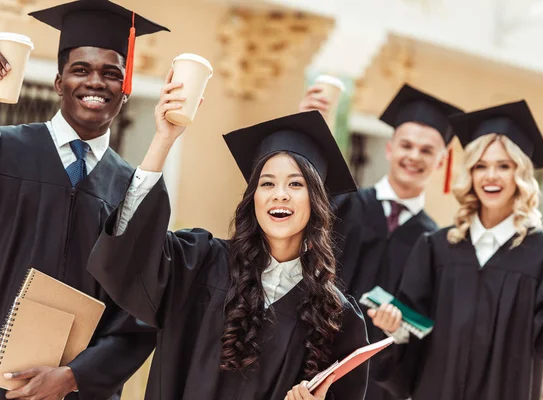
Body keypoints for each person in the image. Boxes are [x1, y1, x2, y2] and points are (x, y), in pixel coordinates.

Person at [85, 72, 369, 400]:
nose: (280, 194)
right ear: (253, 199)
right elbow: (126, 254)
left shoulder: (337, 316)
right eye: (267, 183)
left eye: (295, 184)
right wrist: (163, 139)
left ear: (316, 201)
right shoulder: (199, 263)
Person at [0, 1, 168, 399]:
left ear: (125, 90)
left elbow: (139, 313)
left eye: (111, 74)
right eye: (81, 70)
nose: (95, 83)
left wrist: (74, 376)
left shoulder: (133, 189)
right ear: (58, 82)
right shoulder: (3, 150)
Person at [369, 100, 543, 400]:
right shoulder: (436, 247)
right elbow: (413, 333)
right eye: (481, 166)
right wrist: (393, 328)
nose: (491, 176)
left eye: (504, 166)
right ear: (470, 174)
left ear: (521, 175)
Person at [301, 83, 463, 399]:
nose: (414, 156)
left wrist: (397, 329)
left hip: (378, 383)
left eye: (427, 150)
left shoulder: (438, 243)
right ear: (390, 149)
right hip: (312, 361)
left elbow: (429, 330)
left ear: (441, 162)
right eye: (406, 145)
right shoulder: (342, 206)